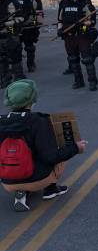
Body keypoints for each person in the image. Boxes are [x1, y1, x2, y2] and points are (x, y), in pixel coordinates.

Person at [1, 80, 87, 212]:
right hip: (38, 179)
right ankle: (51, 189)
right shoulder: (39, 121)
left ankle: (21, 191)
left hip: (7, 182)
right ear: (32, 101)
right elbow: (51, 157)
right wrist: (76, 147)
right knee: (61, 146)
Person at [56, 0, 98, 91]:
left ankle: (92, 81)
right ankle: (78, 81)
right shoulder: (64, 3)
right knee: (73, 59)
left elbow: (92, 20)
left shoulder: (84, 3)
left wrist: (84, 23)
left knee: (87, 59)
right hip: (69, 36)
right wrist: (60, 29)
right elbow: (60, 20)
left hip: (82, 35)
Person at [13, 0, 39, 73]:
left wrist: (33, 22)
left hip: (28, 25)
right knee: (15, 47)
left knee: (29, 47)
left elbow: (34, 10)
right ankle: (17, 68)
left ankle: (30, 64)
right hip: (16, 26)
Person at [0, 0, 25, 87]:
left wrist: (6, 24)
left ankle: (18, 77)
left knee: (15, 56)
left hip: (10, 33)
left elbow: (20, 18)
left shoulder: (12, 3)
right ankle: (4, 78)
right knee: (1, 59)